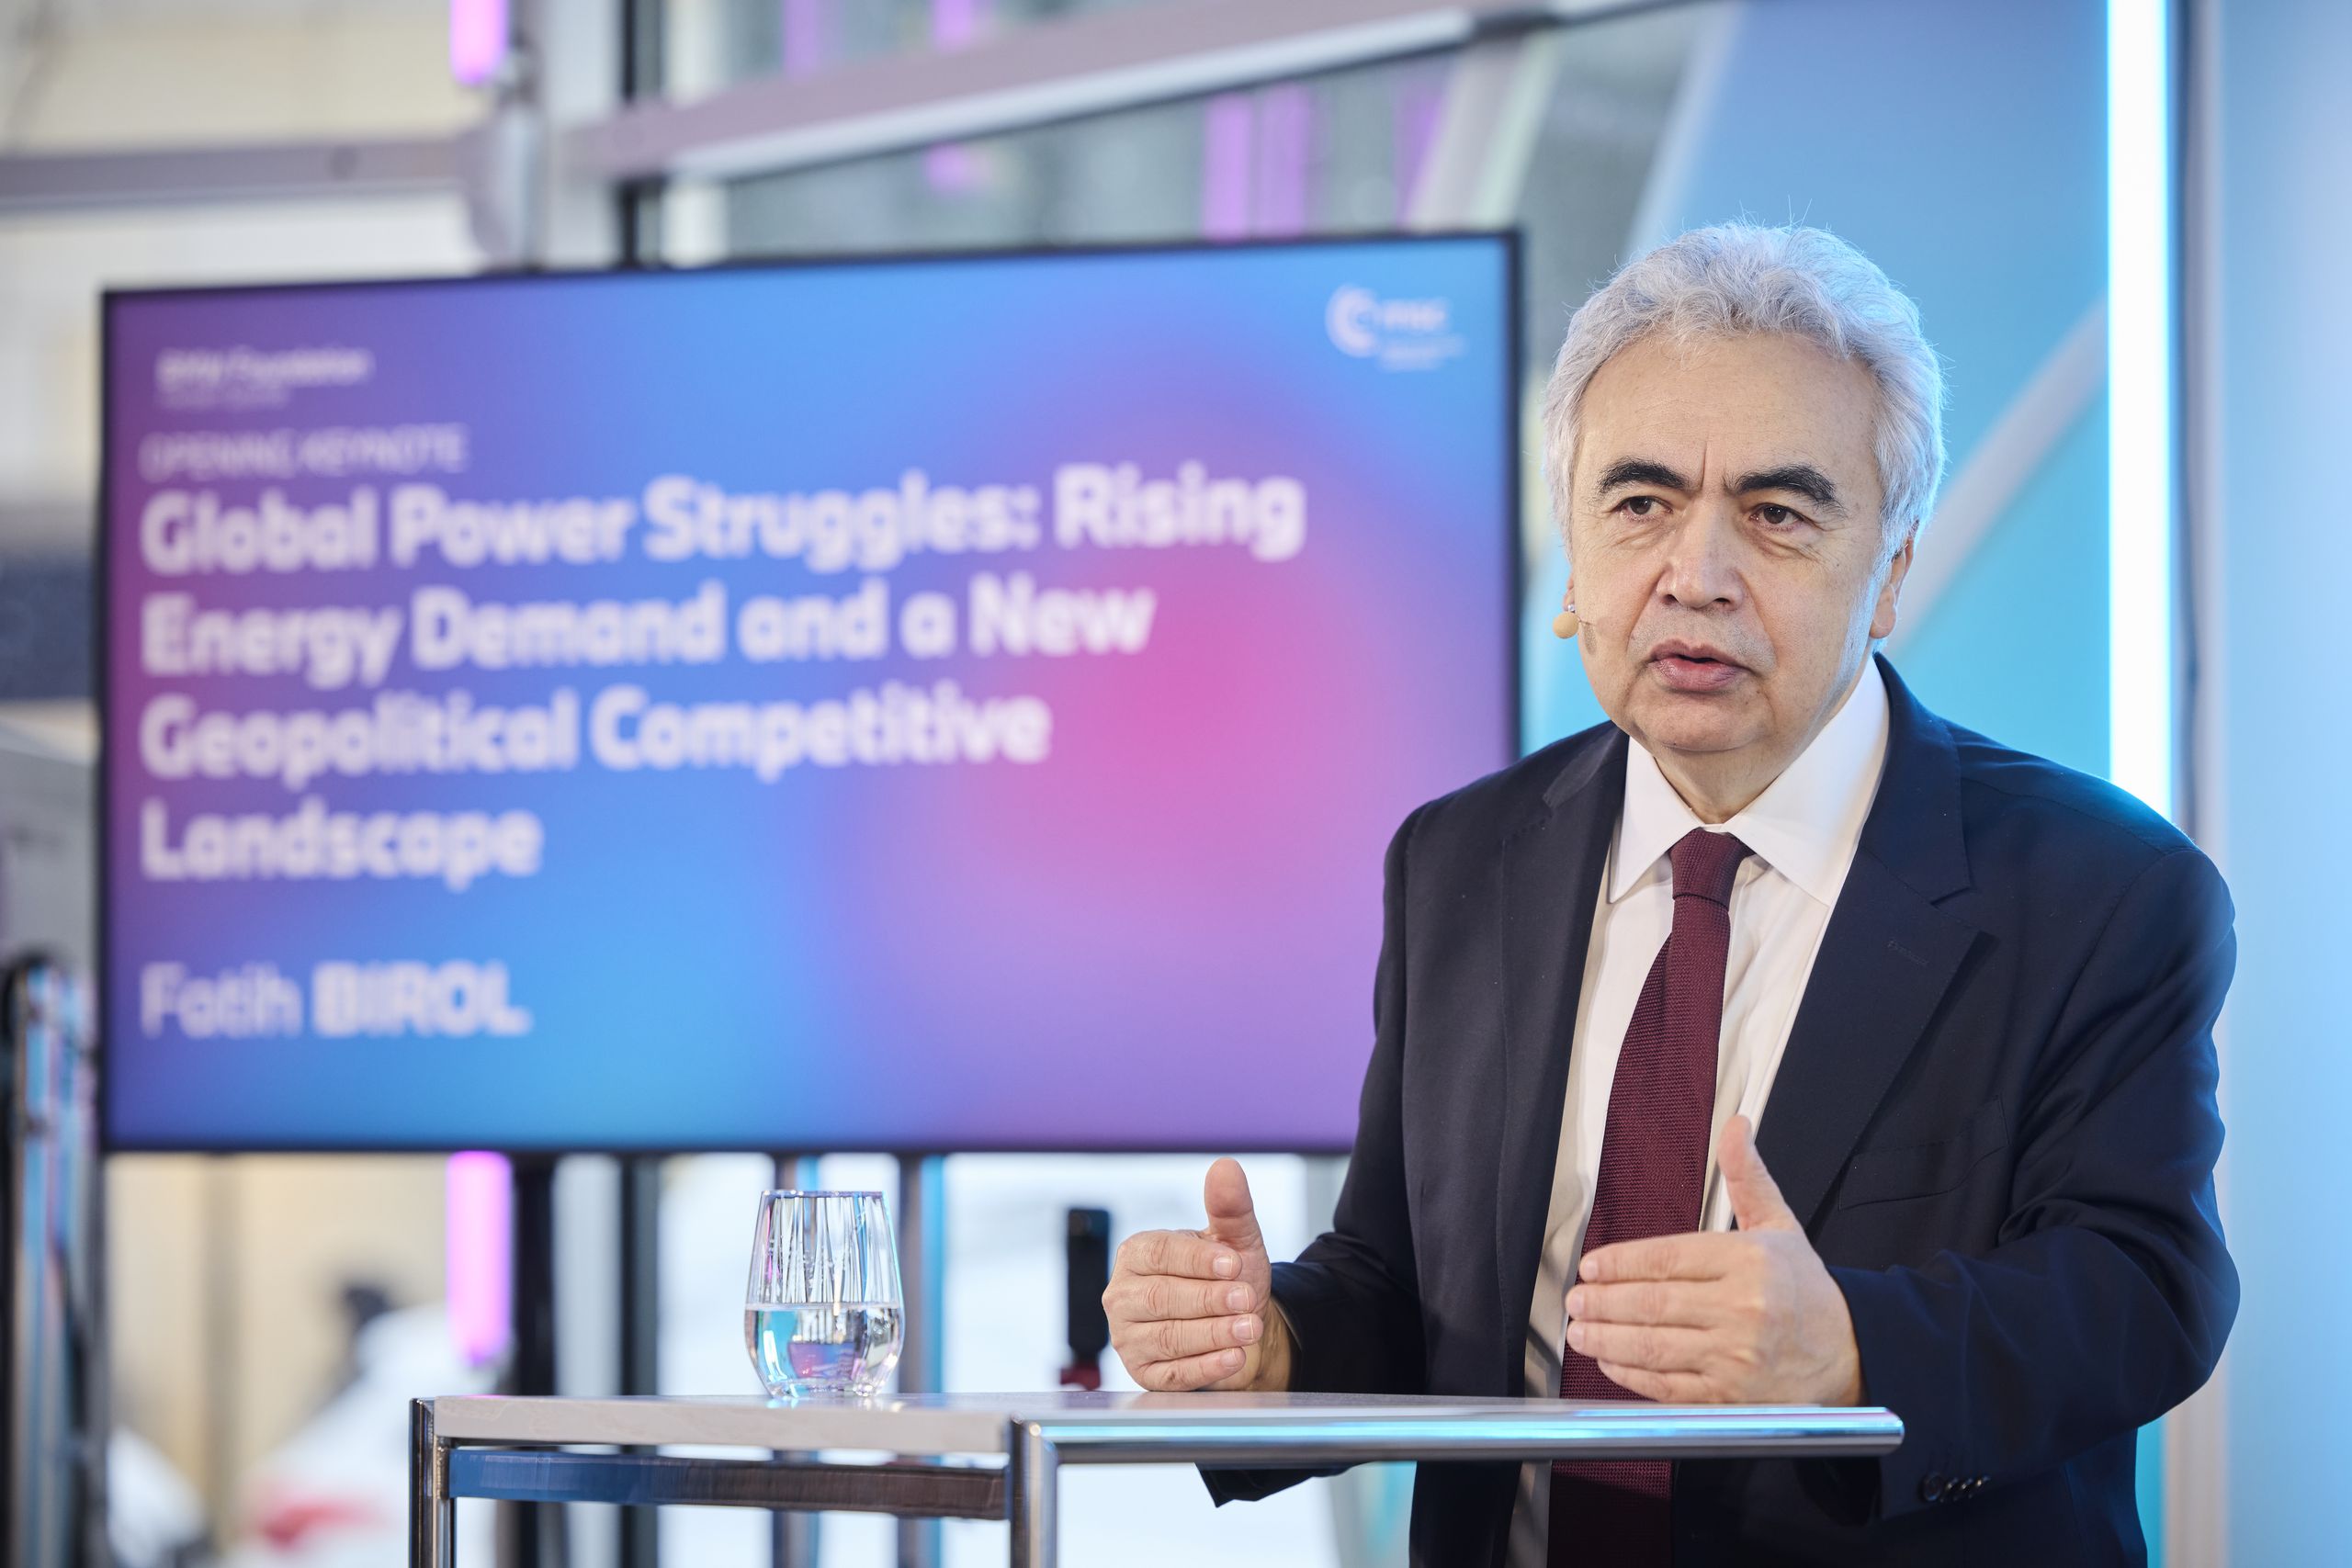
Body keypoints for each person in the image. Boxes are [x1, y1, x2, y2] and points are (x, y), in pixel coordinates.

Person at [1102, 223, 2236, 1566]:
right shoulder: (1462, 861)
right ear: (1575, 564)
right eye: (1639, 503)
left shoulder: (2102, 887)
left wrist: (1852, 1347)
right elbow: (1410, 1287)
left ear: (1893, 570)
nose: (1695, 575)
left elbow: (2144, 1285)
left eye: (1777, 512)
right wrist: (1272, 1347)